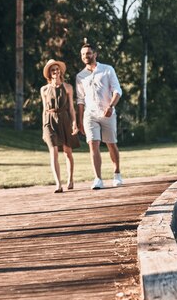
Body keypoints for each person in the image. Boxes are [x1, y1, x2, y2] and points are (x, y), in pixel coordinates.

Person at [76, 42, 123, 190]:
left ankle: (117, 173)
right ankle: (98, 178)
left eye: (88, 53)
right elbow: (80, 100)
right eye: (83, 54)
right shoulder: (80, 76)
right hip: (90, 115)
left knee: (111, 144)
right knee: (93, 144)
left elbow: (117, 91)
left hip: (107, 113)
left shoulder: (107, 70)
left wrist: (111, 106)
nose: (86, 56)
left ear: (95, 54)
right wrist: (79, 121)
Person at [40, 59, 80, 193]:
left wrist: (74, 123)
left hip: (64, 120)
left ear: (60, 71)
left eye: (57, 69)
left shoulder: (68, 87)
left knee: (67, 152)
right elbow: (44, 109)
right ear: (49, 74)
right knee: (54, 151)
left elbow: (71, 108)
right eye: (52, 70)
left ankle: (70, 179)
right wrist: (43, 128)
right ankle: (58, 184)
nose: (55, 72)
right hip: (49, 121)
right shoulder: (44, 90)